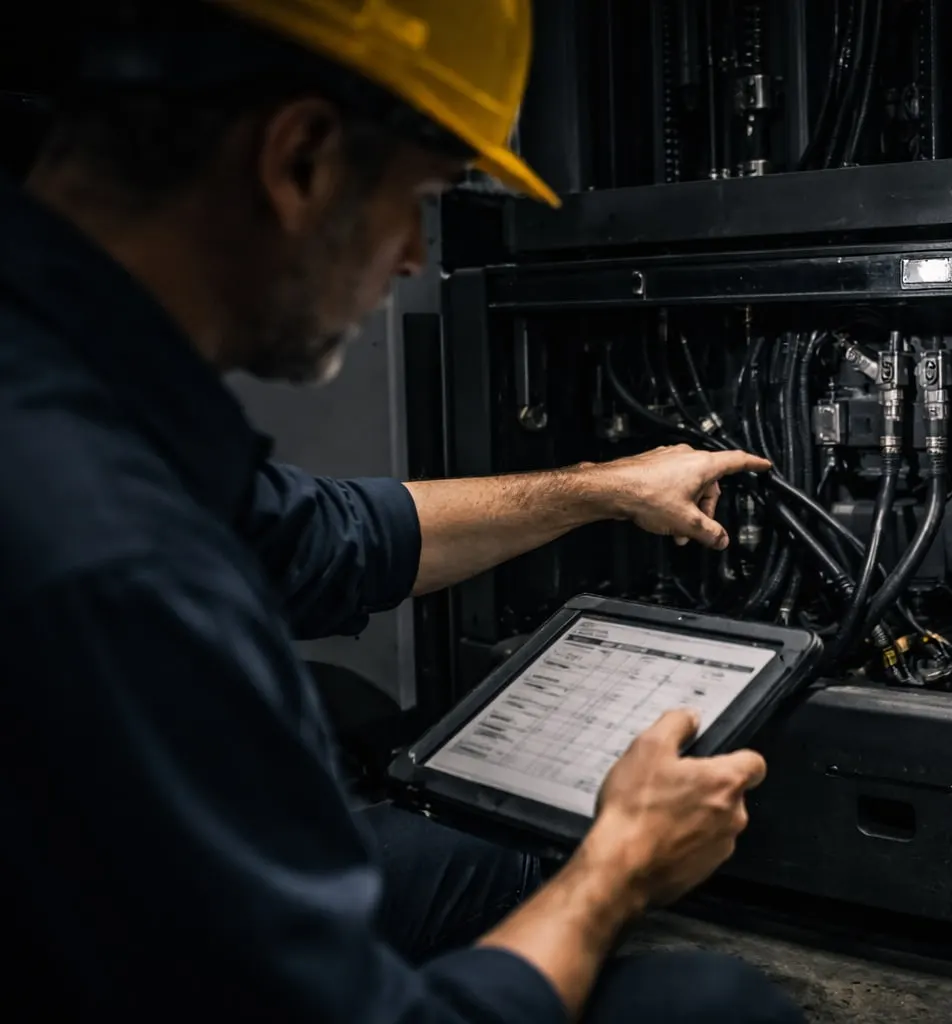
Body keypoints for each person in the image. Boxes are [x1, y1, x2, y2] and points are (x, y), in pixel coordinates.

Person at [0, 1, 804, 1022]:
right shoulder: (115, 558)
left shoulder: (76, 386)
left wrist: (603, 488)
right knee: (707, 1005)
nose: (415, 258)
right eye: (421, 199)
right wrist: (619, 866)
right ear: (301, 160)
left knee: (486, 858)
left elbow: (325, 537)